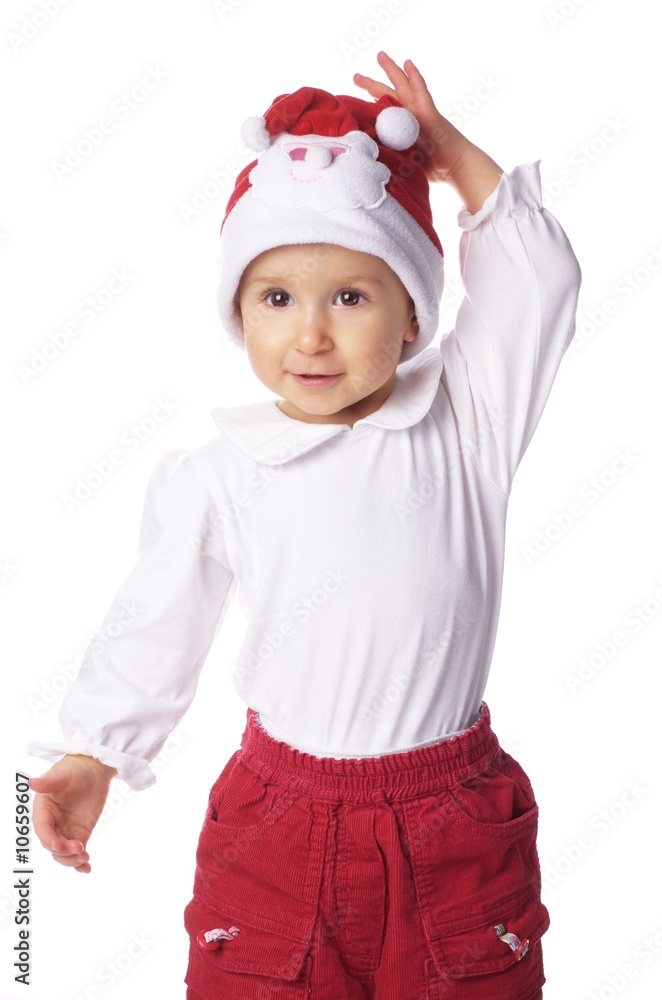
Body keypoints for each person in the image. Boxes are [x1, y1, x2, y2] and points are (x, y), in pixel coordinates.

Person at [27, 52, 581, 999]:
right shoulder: (222, 473)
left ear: (413, 317)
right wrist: (95, 755)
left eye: (351, 297)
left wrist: (451, 156)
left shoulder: (466, 421)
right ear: (239, 314)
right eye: (277, 299)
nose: (311, 335)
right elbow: (157, 621)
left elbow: (539, 281)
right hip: (277, 826)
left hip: (451, 824)